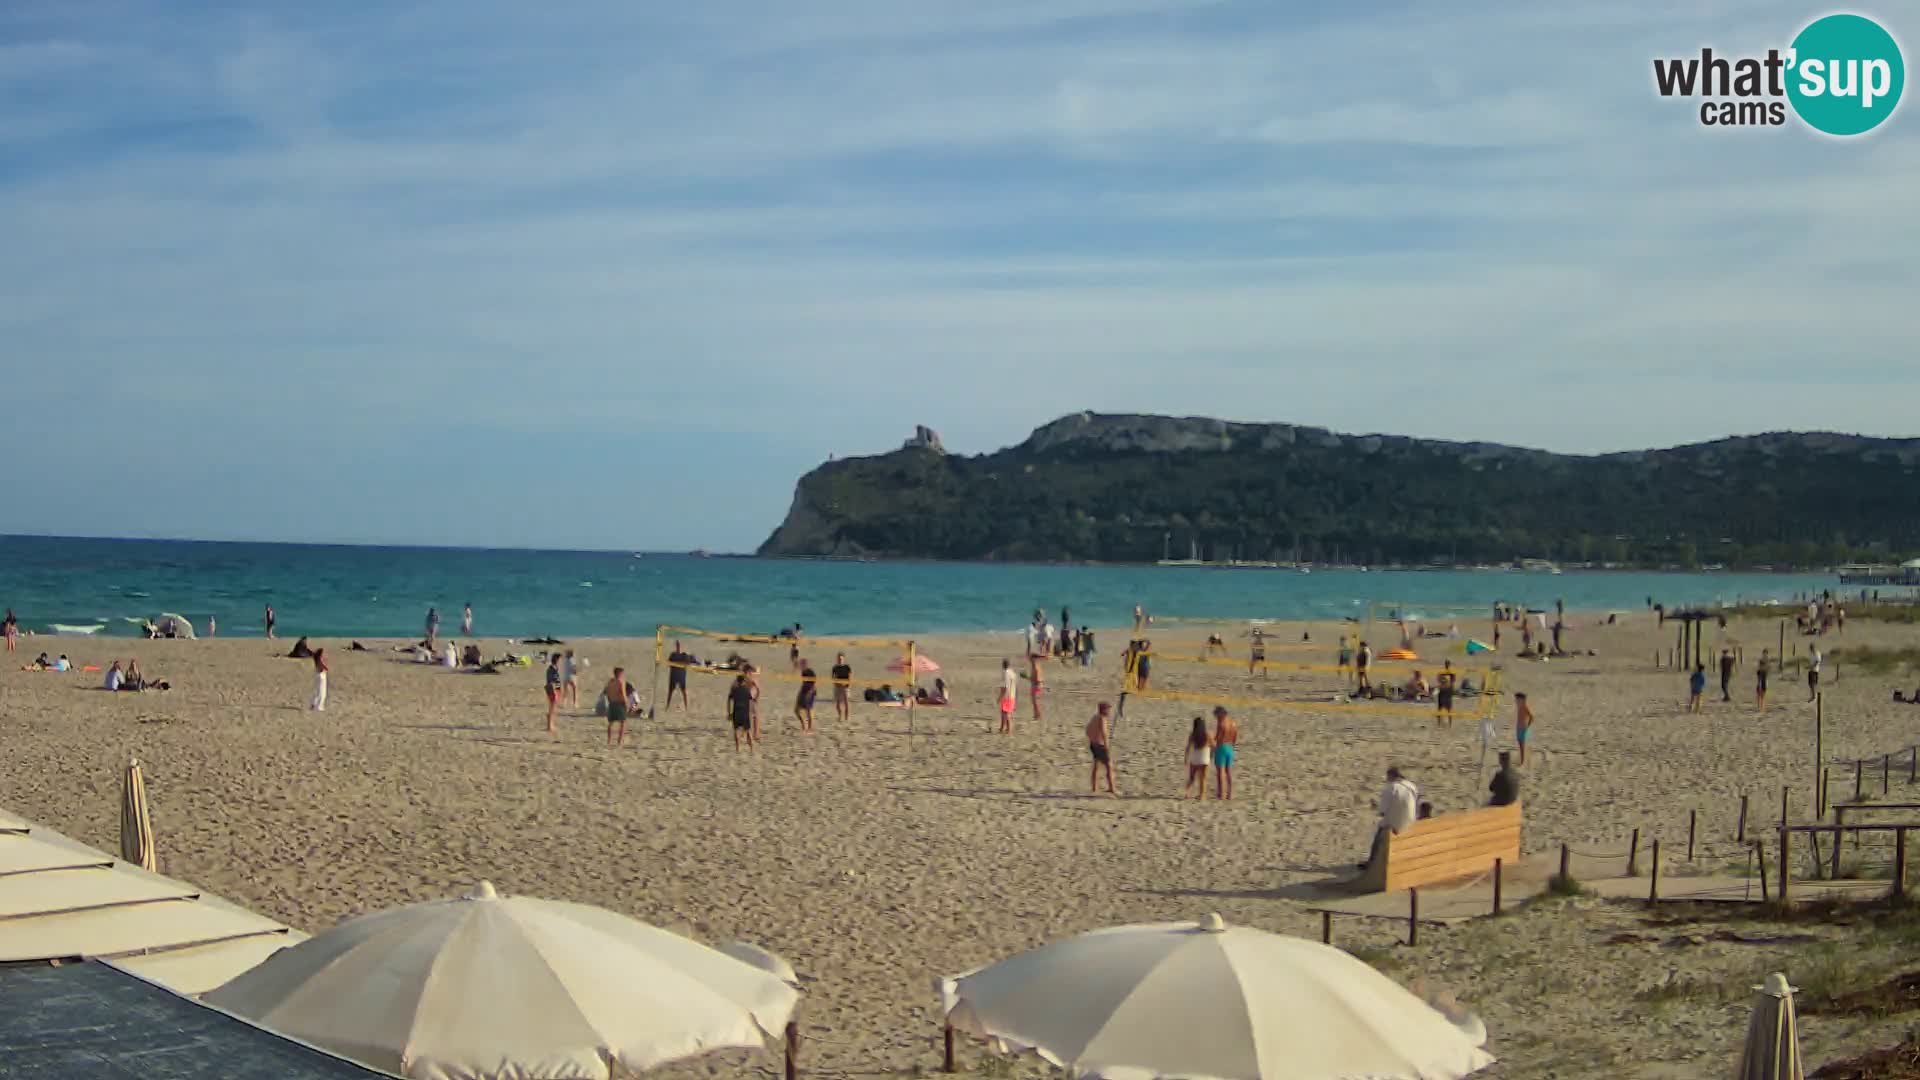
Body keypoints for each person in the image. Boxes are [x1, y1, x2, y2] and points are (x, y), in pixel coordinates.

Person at [1363, 767, 1420, 869]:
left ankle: (1371, 863)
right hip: (1411, 821)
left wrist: (1375, 806)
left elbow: (1382, 812)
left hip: (1395, 824)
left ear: (1391, 775)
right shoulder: (1411, 786)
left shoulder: (1390, 788)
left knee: (1379, 834)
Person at [1086, 702, 1116, 794]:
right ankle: (1112, 788)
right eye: (1108, 709)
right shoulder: (1102, 719)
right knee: (1109, 766)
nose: (1109, 711)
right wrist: (1106, 746)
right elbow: (1104, 733)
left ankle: (1094, 787)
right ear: (1103, 710)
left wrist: (1093, 739)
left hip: (1093, 744)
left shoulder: (1095, 717)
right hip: (1099, 745)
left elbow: (1087, 730)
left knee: (1096, 765)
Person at [1212, 705, 1237, 800]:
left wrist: (1213, 744)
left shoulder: (1221, 723)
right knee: (1229, 771)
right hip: (1230, 747)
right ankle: (1230, 793)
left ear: (1220, 714)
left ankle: (1221, 794)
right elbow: (1235, 736)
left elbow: (1218, 737)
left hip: (1221, 747)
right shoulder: (1233, 723)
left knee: (1220, 772)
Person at [1183, 716, 1211, 799]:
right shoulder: (1207, 734)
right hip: (1205, 755)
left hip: (1195, 756)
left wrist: (1186, 757)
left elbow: (1188, 747)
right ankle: (1202, 795)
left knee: (1192, 777)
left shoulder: (1193, 734)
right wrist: (1211, 753)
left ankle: (1187, 793)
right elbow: (1213, 745)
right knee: (1203, 778)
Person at [603, 667, 629, 747]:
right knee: (623, 723)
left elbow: (607, 693)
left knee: (611, 723)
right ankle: (620, 741)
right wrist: (626, 704)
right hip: (619, 704)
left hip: (612, 703)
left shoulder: (610, 682)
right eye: (622, 674)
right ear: (619, 674)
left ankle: (609, 741)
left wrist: (610, 701)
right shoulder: (621, 682)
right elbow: (623, 694)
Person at [728, 673, 755, 751]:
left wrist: (729, 712)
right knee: (748, 731)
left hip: (736, 712)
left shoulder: (734, 690)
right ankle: (751, 748)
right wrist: (751, 712)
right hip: (745, 713)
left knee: (736, 730)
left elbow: (729, 700)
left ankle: (738, 748)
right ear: (744, 681)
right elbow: (750, 702)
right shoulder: (747, 691)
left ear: (737, 681)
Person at [665, 641, 693, 710]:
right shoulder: (673, 655)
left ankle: (686, 707)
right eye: (677, 645)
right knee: (670, 691)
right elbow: (669, 663)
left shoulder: (684, 655)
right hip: (674, 675)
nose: (678, 646)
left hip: (681, 675)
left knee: (683, 691)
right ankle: (667, 706)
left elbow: (688, 663)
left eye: (679, 645)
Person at [795, 659, 817, 734]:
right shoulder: (803, 672)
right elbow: (804, 683)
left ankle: (810, 729)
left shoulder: (809, 672)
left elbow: (814, 684)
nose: (799, 666)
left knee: (809, 710)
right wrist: (800, 692)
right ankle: (805, 727)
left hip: (810, 692)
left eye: (801, 665)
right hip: (804, 691)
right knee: (797, 710)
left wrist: (809, 693)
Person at [831, 653, 853, 723]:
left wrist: (847, 684)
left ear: (843, 659)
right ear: (837, 659)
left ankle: (847, 717)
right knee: (838, 704)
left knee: (846, 703)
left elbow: (850, 676)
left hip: (845, 687)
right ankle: (840, 716)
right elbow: (833, 677)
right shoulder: (835, 667)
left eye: (841, 659)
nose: (840, 660)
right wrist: (836, 683)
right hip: (838, 686)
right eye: (839, 659)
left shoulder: (847, 667)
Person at [544, 654, 563, 735]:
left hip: (554, 689)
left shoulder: (554, 668)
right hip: (552, 689)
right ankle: (549, 726)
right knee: (552, 708)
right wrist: (555, 691)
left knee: (553, 708)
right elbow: (552, 681)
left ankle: (550, 725)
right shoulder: (552, 669)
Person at [1515, 692, 1534, 765]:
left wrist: (1527, 726)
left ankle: (1522, 761)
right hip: (1518, 727)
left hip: (1522, 728)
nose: (1516, 701)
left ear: (1522, 700)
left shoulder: (1525, 707)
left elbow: (1531, 717)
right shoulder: (1519, 706)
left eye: (1517, 699)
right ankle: (1522, 759)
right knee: (1520, 743)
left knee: (1522, 745)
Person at [999, 659, 1017, 734]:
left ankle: (1008, 729)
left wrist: (1000, 697)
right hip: (1012, 695)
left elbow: (1005, 687)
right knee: (1004, 713)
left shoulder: (1006, 673)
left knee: (1006, 714)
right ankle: (1002, 728)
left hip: (1007, 696)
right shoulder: (1012, 673)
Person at [1029, 654, 1046, 725]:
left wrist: (1033, 681)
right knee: (1034, 702)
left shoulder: (1036, 667)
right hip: (1035, 685)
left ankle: (1038, 717)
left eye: (1031, 659)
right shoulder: (1034, 666)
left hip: (1037, 685)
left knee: (1036, 702)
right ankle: (1036, 716)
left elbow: (1038, 679)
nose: (1030, 660)